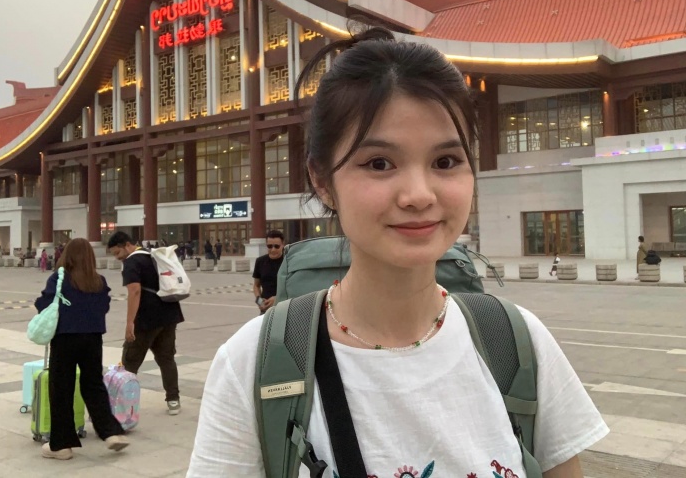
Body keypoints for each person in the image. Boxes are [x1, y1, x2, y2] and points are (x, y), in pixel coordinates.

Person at [187, 27, 608, 477]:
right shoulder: (252, 365)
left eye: (445, 162)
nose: (418, 194)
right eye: (379, 163)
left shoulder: (519, 344)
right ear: (322, 180)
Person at [33, 238, 129, 460]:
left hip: (65, 339)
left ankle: (62, 445)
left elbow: (44, 304)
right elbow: (103, 306)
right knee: (93, 385)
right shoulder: (98, 280)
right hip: (93, 339)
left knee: (61, 389)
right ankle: (111, 432)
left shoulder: (59, 278)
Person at [108, 231, 184, 415]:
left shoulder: (132, 262)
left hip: (146, 319)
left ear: (126, 245)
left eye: (117, 253)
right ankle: (173, 400)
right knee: (167, 359)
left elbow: (134, 292)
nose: (118, 258)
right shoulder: (152, 255)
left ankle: (121, 405)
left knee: (130, 362)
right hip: (168, 313)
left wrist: (129, 323)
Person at [251, 230, 285, 314]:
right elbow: (256, 285)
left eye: (276, 246)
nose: (273, 250)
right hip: (265, 309)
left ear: (283, 245)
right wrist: (259, 300)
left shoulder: (288, 262)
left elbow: (293, 288)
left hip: (283, 308)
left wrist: (277, 298)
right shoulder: (260, 261)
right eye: (269, 246)